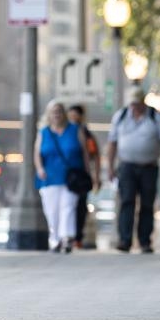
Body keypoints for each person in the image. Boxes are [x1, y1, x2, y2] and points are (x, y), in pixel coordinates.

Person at [107, 87, 160, 253]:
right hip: (126, 166)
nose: (134, 107)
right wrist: (110, 166)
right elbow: (112, 143)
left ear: (143, 102)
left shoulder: (155, 117)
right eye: (132, 104)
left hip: (149, 166)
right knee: (127, 201)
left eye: (137, 103)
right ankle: (125, 240)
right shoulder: (120, 117)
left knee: (147, 204)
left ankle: (145, 241)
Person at [35, 99, 94, 253]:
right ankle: (54, 239)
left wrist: (88, 173)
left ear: (64, 114)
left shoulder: (75, 129)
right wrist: (40, 168)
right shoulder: (44, 132)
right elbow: (37, 154)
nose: (57, 115)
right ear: (48, 115)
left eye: (59, 111)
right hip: (49, 177)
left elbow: (85, 153)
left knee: (68, 207)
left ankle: (67, 238)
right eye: (53, 112)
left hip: (72, 177)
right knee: (52, 210)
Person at [67, 103, 101, 248]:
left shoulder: (87, 135)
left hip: (81, 175)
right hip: (65, 174)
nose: (73, 119)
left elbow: (95, 156)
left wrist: (96, 176)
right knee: (66, 206)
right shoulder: (63, 132)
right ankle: (66, 235)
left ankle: (77, 237)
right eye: (71, 116)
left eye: (76, 116)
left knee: (80, 206)